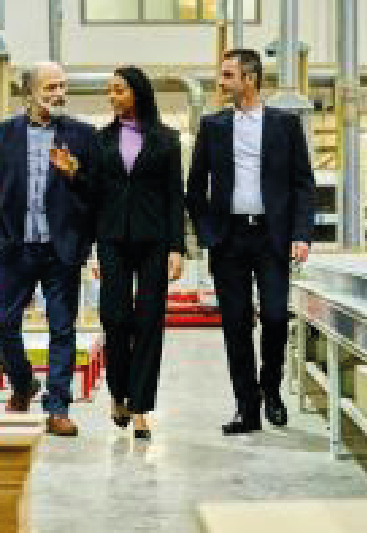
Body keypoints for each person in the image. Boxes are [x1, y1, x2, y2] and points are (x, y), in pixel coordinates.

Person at [185, 48, 315, 435]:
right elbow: (195, 187)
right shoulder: (213, 126)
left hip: (272, 237)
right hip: (229, 239)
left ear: (250, 79)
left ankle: (270, 388)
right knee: (236, 325)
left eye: (228, 75)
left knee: (275, 317)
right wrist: (207, 233)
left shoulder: (285, 125)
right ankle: (247, 408)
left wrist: (301, 234)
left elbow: (303, 184)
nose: (220, 82)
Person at [0, 61, 99, 437]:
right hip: (15, 248)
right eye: (49, 87)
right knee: (4, 324)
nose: (58, 94)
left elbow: (96, 195)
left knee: (62, 328)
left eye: (62, 86)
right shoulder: (2, 134)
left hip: (61, 250)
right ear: (29, 93)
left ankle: (57, 406)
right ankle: (23, 382)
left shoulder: (82, 135)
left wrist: (75, 175)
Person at [92, 66, 186, 440]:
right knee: (115, 319)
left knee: (149, 323)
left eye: (119, 90)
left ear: (137, 93)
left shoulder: (167, 140)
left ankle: (141, 408)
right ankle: (118, 393)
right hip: (112, 239)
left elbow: (175, 197)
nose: (112, 97)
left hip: (154, 241)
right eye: (110, 91)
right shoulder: (101, 140)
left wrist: (177, 247)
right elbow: (94, 194)